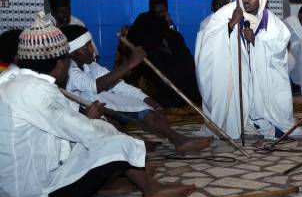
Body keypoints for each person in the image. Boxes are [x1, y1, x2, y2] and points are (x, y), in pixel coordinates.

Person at [0, 14, 195, 197]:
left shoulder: (12, 80)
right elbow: (86, 132)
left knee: (103, 133)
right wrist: (131, 147)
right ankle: (150, 187)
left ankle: (120, 182)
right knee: (113, 140)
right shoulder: (37, 90)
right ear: (60, 63)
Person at [62, 25, 211, 153]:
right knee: (111, 123)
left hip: (98, 107)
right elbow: (94, 86)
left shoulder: (91, 66)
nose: (92, 49)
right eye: (86, 47)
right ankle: (137, 145)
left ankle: (179, 140)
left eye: (90, 44)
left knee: (141, 106)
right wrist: (130, 63)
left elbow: (119, 85)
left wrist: (149, 100)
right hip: (79, 117)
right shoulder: (68, 70)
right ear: (73, 52)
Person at [197, 0, 302, 140]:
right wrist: (231, 24)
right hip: (233, 72)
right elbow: (207, 41)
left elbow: (279, 49)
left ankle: (261, 119)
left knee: (275, 83)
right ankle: (241, 119)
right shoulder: (227, 12)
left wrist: (256, 41)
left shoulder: (271, 21)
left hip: (260, 74)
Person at [127, 0, 201, 107]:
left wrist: (169, 23)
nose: (161, 12)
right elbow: (135, 38)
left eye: (164, 9)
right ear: (152, 8)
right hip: (153, 55)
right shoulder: (143, 18)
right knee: (170, 70)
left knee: (188, 64)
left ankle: (191, 102)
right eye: (159, 9)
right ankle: (172, 102)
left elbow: (177, 38)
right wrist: (159, 47)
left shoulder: (166, 21)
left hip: (173, 55)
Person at [195, 0, 230, 97]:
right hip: (214, 61)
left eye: (223, 4)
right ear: (212, 7)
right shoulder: (206, 23)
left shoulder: (233, 19)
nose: (220, 6)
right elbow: (204, 45)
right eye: (217, 4)